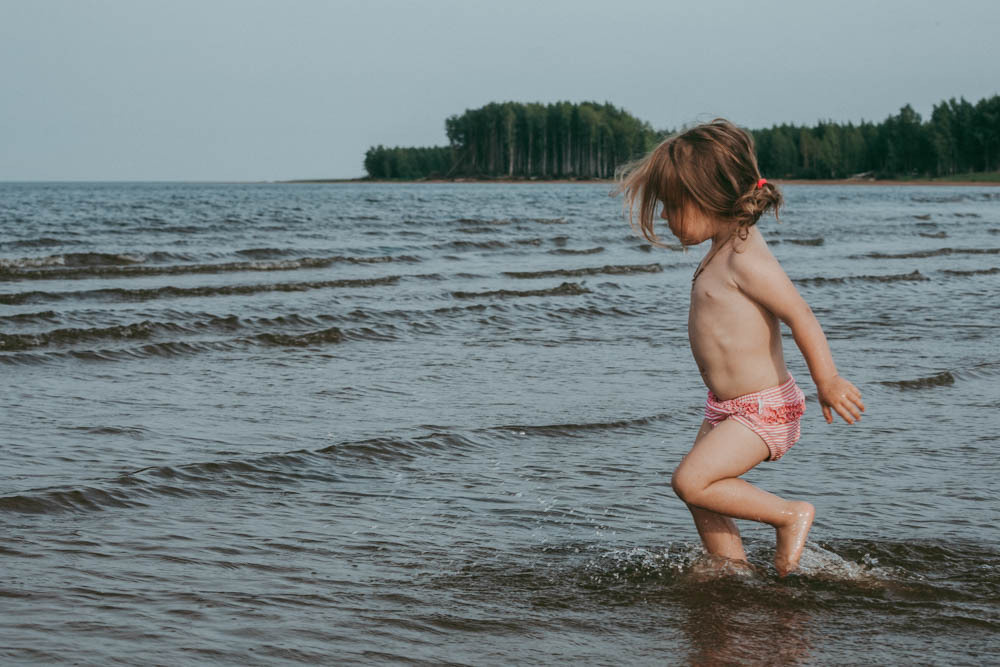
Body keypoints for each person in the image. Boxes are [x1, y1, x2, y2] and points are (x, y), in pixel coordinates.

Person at [616, 119, 865, 576]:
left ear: (713, 197)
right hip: (726, 408)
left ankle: (790, 515)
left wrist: (826, 380)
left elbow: (800, 314)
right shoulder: (721, 248)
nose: (668, 219)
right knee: (701, 495)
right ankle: (731, 570)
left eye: (674, 206)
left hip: (764, 409)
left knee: (691, 481)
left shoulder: (744, 256)